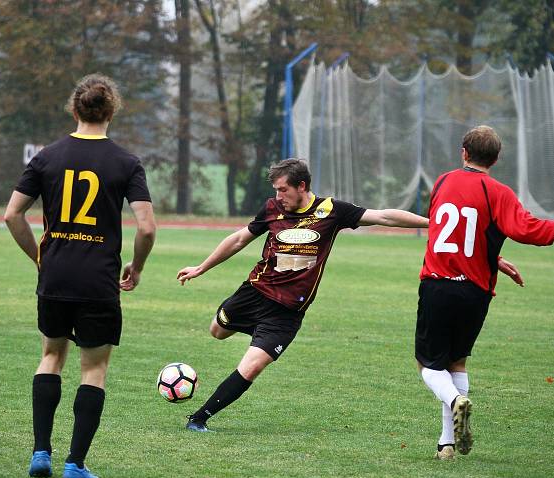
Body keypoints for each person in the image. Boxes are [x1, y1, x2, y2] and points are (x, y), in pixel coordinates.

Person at [176, 158, 430, 432]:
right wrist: (202, 267)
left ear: (302, 185)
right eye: (275, 189)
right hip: (254, 293)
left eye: (283, 189)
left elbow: (384, 216)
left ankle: (199, 418)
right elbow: (239, 239)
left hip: (286, 313)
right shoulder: (272, 209)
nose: (278, 196)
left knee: (251, 367)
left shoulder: (331, 211)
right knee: (217, 332)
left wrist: (432, 224)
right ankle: (252, 330)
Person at [4, 73, 156, 478]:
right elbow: (146, 228)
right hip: (98, 280)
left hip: (55, 275)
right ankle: (75, 464)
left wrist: (40, 255)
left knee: (50, 357)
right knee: (94, 370)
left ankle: (40, 454)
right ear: (112, 112)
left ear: (75, 109)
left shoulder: (47, 157)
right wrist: (136, 268)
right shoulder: (126, 162)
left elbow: (11, 214)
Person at [415, 125, 554, 460]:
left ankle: (455, 402)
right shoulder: (498, 192)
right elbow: (530, 231)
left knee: (427, 365)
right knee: (457, 362)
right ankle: (446, 444)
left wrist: (493, 257)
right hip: (475, 293)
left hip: (438, 284)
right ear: (496, 159)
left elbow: (445, 232)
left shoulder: (442, 182)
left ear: (463, 152)